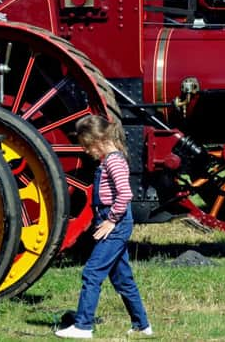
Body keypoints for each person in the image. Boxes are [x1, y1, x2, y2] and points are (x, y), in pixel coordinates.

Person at [55, 115, 153, 339]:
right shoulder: (107, 160)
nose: (86, 150)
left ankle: (83, 326)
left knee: (92, 273)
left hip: (114, 223)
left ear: (97, 140)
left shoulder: (114, 161)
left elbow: (125, 194)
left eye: (86, 145)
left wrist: (111, 220)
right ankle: (142, 325)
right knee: (122, 279)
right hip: (110, 222)